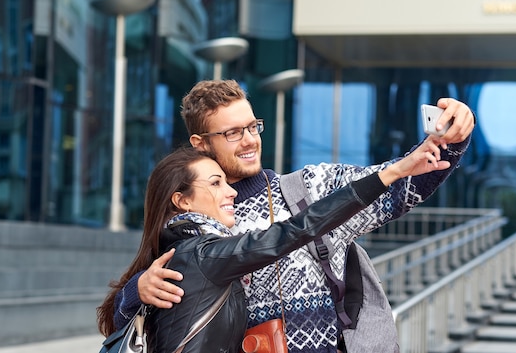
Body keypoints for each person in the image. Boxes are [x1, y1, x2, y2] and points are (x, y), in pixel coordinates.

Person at [112, 80, 476, 353]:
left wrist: (451, 139)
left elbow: (398, 186)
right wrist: (137, 292)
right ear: (201, 143)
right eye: (233, 133)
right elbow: (126, 326)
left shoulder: (308, 187)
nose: (250, 140)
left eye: (253, 127)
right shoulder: (197, 224)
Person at [97, 143, 452, 352]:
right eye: (216, 183)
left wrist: (136, 291)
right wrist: (390, 174)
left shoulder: (177, 255)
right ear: (182, 200)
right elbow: (298, 229)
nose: (230, 192)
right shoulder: (200, 255)